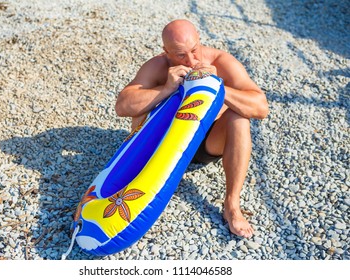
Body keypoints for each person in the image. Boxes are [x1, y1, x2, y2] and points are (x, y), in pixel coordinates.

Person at [115, 19, 269, 238]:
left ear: (200, 41)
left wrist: (218, 86)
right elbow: (122, 106)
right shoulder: (157, 66)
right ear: (166, 52)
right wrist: (166, 88)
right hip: (162, 142)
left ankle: (232, 204)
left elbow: (261, 107)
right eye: (179, 55)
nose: (190, 60)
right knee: (140, 104)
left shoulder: (221, 60)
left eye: (194, 51)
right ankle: (133, 175)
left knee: (240, 117)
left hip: (206, 143)